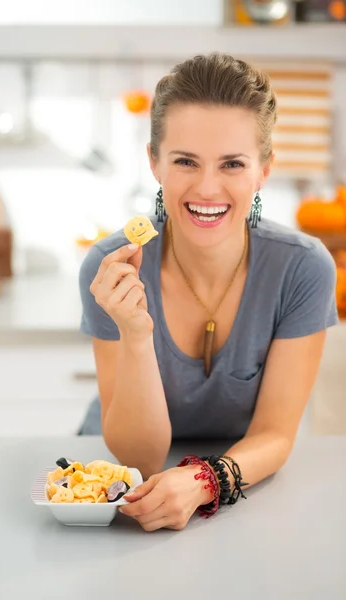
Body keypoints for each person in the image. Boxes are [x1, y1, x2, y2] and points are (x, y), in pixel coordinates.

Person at [78, 52, 338, 531]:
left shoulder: (303, 268)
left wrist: (206, 481)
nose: (207, 188)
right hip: (123, 485)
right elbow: (140, 455)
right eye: (185, 161)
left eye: (233, 164)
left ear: (264, 170)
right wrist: (137, 335)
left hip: (246, 476)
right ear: (154, 162)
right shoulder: (112, 267)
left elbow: (275, 434)